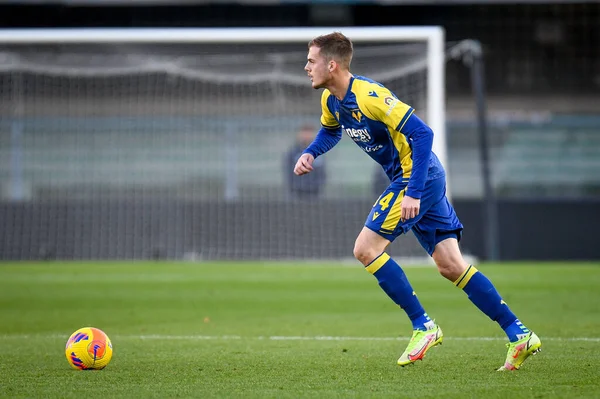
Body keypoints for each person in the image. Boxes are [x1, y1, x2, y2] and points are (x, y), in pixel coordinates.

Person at [294, 32, 541, 371]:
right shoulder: (331, 101)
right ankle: (519, 333)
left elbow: (423, 134)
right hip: (416, 180)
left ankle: (423, 325)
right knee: (451, 266)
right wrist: (311, 152)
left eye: (311, 60)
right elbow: (331, 130)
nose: (306, 66)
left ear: (332, 64)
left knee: (366, 249)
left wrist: (412, 191)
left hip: (417, 178)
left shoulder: (370, 96)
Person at [285, 124, 326, 200]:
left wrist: (318, 185)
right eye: (305, 132)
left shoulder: (319, 152)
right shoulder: (293, 152)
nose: (307, 136)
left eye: (309, 132)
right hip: (297, 192)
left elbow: (322, 172)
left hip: (314, 192)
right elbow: (288, 171)